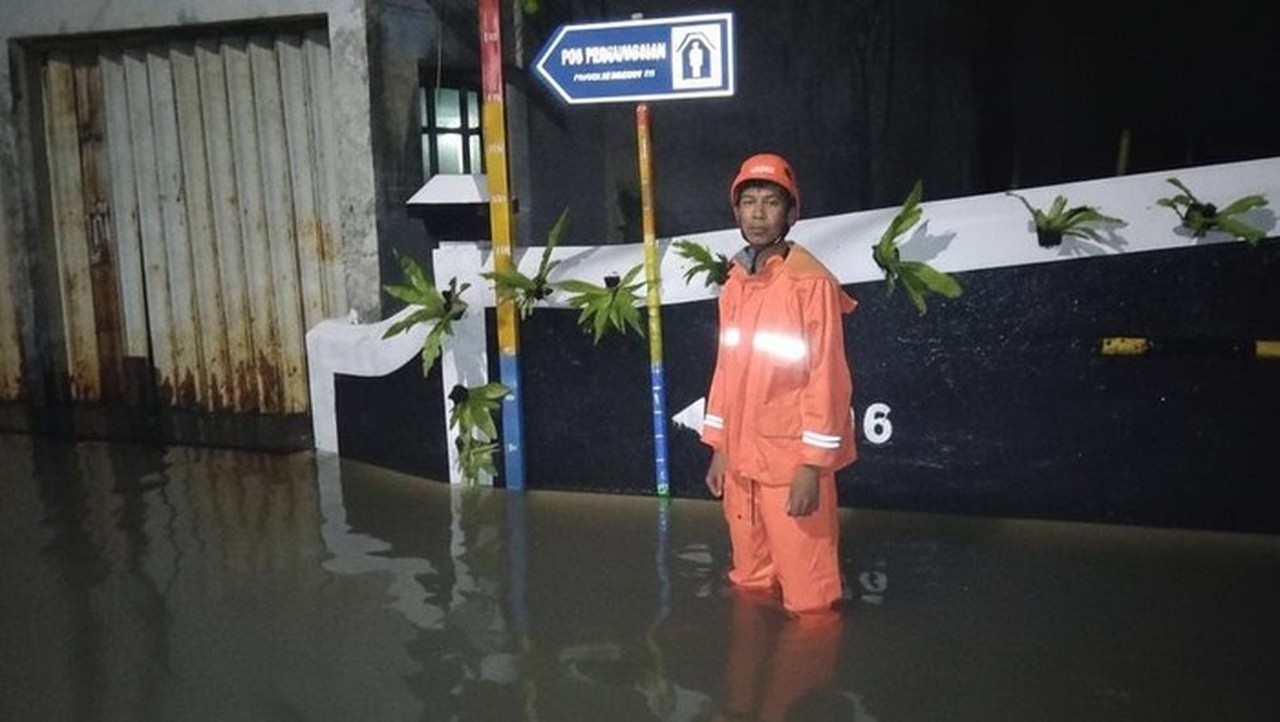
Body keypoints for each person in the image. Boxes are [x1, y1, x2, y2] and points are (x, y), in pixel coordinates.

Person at [701, 152, 858, 617]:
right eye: (748, 201)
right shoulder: (734, 283)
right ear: (736, 211)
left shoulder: (810, 284)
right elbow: (726, 370)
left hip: (790, 468)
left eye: (770, 202)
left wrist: (812, 467)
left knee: (810, 601)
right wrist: (720, 447)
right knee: (749, 584)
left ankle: (808, 680)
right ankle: (747, 681)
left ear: (792, 214)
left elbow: (827, 379)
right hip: (742, 467)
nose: (757, 213)